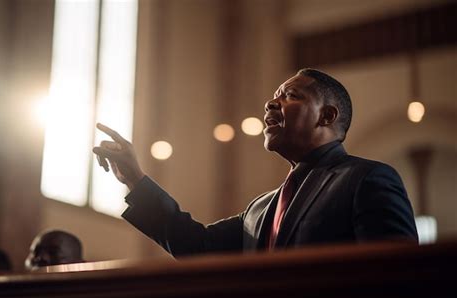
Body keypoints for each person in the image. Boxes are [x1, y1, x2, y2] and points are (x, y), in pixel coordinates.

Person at [93, 68, 418, 258]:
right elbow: (197, 245)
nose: (269, 103)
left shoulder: (367, 180)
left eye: (290, 95)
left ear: (327, 115)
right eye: (274, 95)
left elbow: (395, 279)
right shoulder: (261, 209)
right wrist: (135, 180)